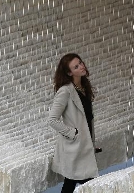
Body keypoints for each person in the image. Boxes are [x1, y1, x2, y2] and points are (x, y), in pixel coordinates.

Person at [48, 53, 101, 193]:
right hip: (75, 147)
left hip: (83, 145)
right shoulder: (65, 91)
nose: (81, 67)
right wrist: (73, 134)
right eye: (76, 67)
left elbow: (87, 119)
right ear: (69, 72)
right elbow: (52, 119)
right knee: (93, 186)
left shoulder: (83, 86)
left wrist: (91, 142)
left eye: (80, 63)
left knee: (71, 183)